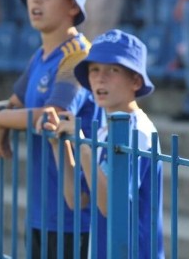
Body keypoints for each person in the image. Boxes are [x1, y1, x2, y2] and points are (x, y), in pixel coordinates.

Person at [0, 0, 94, 258]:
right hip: (43, 209)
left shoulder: (77, 56)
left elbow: (49, 116)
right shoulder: (41, 55)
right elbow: (16, 103)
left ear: (73, 6)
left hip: (74, 214)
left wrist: (1, 117)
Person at [43, 29, 165, 259]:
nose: (100, 77)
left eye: (114, 69)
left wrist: (82, 146)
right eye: (94, 69)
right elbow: (78, 199)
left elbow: (112, 206)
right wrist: (60, 147)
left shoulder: (138, 132)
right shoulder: (103, 129)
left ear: (136, 80)